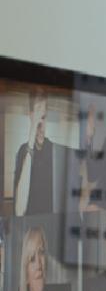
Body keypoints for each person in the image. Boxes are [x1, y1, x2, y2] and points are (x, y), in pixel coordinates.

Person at [13, 88, 53, 216]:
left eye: (44, 115)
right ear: (31, 115)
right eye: (37, 114)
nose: (41, 121)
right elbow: (19, 210)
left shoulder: (54, 150)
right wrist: (32, 135)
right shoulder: (22, 151)